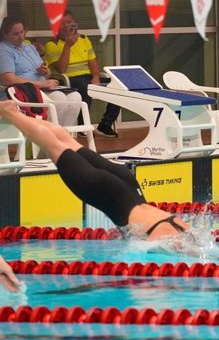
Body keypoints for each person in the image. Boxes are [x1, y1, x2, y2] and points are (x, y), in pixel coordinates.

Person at [0, 99, 191, 241]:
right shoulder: (167, 242)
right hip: (106, 192)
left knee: (66, 141)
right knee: (54, 147)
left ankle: (16, 114)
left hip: (129, 186)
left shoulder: (185, 229)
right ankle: (10, 113)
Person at [45, 10, 120, 138]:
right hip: (69, 78)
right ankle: (82, 125)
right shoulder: (51, 44)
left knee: (117, 86)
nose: (66, 26)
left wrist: (96, 76)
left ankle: (105, 125)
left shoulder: (84, 39)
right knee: (85, 86)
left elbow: (93, 62)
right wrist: (68, 45)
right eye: (62, 23)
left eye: (69, 22)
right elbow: (62, 69)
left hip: (88, 76)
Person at [0, 16, 81, 127]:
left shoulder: (29, 47)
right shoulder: (3, 50)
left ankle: (65, 135)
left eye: (22, 32)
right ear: (5, 34)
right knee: (59, 98)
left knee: (75, 97)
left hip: (42, 88)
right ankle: (50, 138)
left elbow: (47, 73)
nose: (21, 37)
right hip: (24, 92)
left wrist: (45, 71)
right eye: (15, 34)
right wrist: (42, 83)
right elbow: (8, 79)